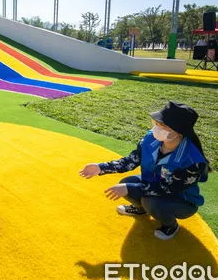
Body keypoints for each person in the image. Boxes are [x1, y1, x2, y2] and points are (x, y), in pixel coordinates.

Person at [79, 101, 210, 240]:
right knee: (127, 183)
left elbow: (167, 188)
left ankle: (170, 225)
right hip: (153, 183)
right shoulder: (150, 138)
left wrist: (129, 188)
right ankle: (142, 209)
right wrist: (101, 167)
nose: (156, 128)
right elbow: (131, 160)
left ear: (178, 132)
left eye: (162, 125)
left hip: (181, 200)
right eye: (157, 123)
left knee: (150, 200)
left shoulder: (193, 160)